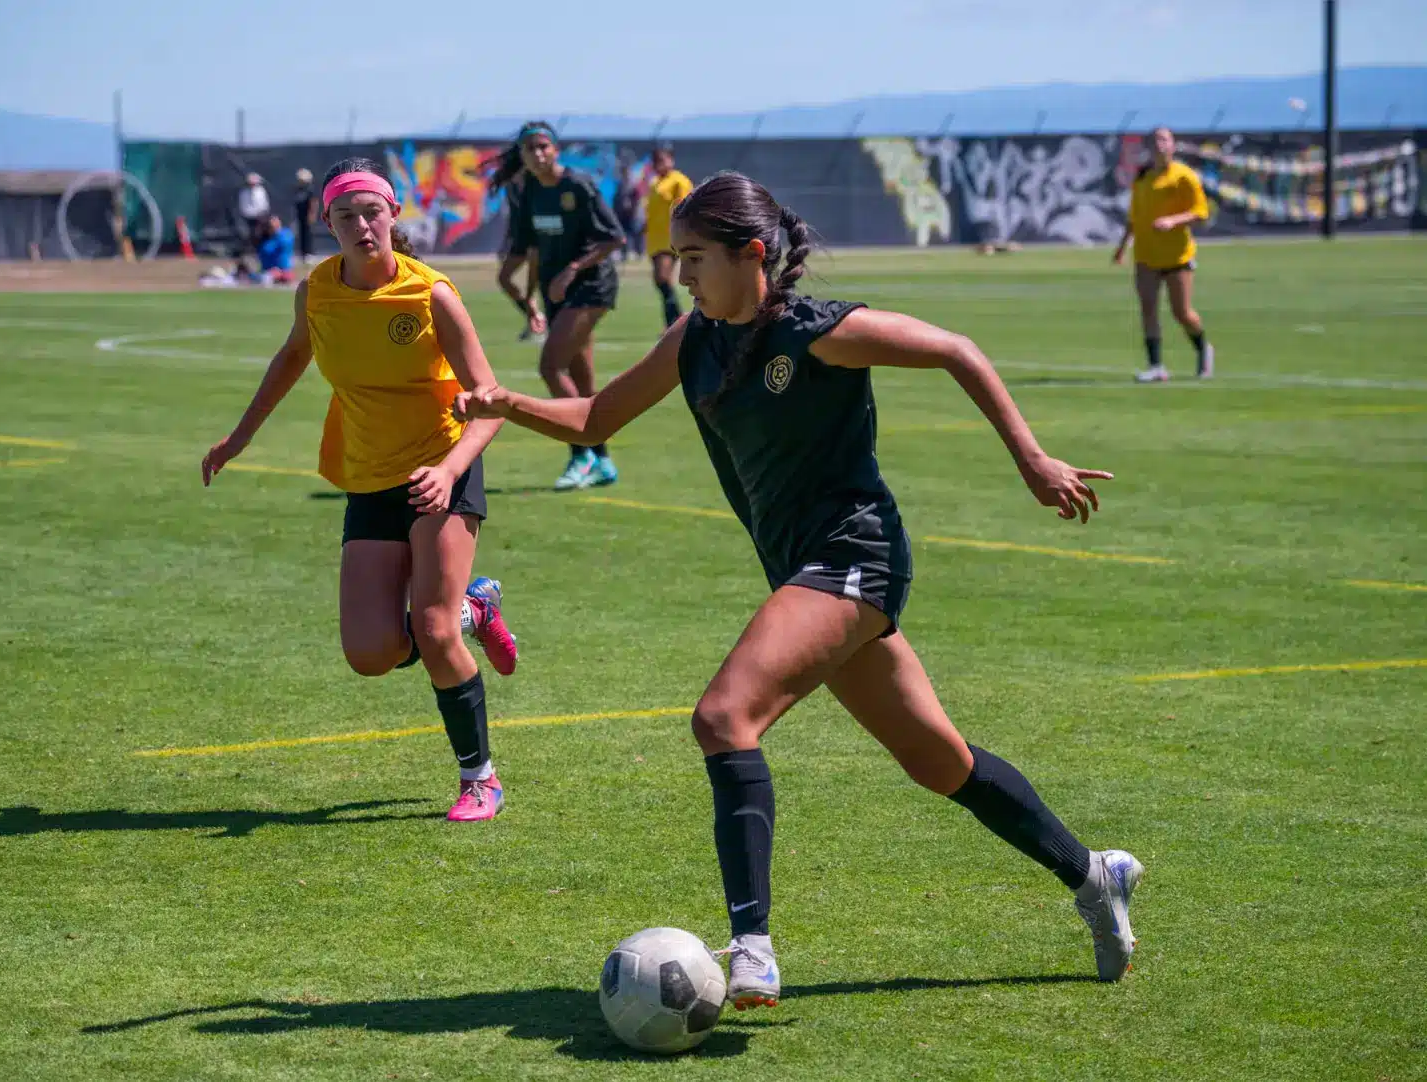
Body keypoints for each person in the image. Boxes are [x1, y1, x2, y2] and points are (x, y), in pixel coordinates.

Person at [457, 171, 1144, 1006]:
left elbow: (956, 349)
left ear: (753, 254)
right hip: (803, 571)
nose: (682, 275)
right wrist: (506, 403)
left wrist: (1032, 458)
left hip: (854, 557)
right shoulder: (693, 339)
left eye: (696, 257)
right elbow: (598, 419)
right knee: (939, 762)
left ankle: (751, 947)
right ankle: (1092, 873)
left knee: (723, 717)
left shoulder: (821, 333)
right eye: (676, 258)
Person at [202, 157, 518, 823]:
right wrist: (240, 437)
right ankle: (477, 609)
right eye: (345, 215)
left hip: (441, 467)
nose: (361, 225)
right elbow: (294, 354)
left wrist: (451, 469)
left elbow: (490, 405)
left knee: (431, 632)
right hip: (370, 475)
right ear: (328, 223)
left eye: (372, 211)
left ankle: (479, 778)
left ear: (394, 215)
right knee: (370, 653)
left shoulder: (431, 294)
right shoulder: (317, 291)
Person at [492, 122, 625, 491]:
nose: (538, 154)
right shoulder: (527, 192)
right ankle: (604, 462)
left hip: (592, 287)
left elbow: (614, 237)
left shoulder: (578, 185)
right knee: (582, 381)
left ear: (556, 150)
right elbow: (524, 249)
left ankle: (581, 453)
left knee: (551, 366)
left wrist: (572, 269)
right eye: (530, 148)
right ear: (522, 156)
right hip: (556, 294)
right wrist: (520, 295)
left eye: (543, 146)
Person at [1113, 127, 1214, 382]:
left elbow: (1201, 212)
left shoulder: (1184, 177)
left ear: (1173, 145)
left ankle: (1203, 348)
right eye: (1155, 140)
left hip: (1177, 256)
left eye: (1164, 139)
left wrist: (1174, 220)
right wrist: (1122, 246)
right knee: (1148, 309)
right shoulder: (1143, 177)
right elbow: (1134, 216)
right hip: (1146, 255)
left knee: (1182, 312)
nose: (1160, 144)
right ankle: (1156, 366)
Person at [494, 171, 547, 343]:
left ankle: (542, 324)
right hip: (522, 239)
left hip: (541, 238)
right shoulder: (510, 185)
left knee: (539, 284)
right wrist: (506, 241)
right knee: (504, 279)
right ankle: (535, 317)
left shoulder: (537, 181)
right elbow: (515, 217)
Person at [644, 145, 693, 328]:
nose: (659, 164)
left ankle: (676, 321)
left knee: (663, 278)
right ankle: (674, 321)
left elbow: (685, 207)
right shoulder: (655, 182)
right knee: (660, 281)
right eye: (656, 161)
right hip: (654, 238)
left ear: (671, 160)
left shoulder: (679, 181)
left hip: (670, 238)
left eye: (663, 160)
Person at [237, 172, 271, 251]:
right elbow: (243, 205)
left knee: (261, 233)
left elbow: (264, 204)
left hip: (261, 216)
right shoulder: (244, 192)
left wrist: (262, 214)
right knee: (251, 233)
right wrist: (247, 214)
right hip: (249, 216)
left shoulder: (261, 191)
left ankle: (262, 248)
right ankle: (253, 249)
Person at [294, 169, 318, 261]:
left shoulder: (310, 190)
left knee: (308, 234)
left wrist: (312, 214)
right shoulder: (298, 190)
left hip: (307, 215)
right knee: (301, 233)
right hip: (300, 215)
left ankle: (309, 252)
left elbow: (314, 202)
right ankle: (302, 253)